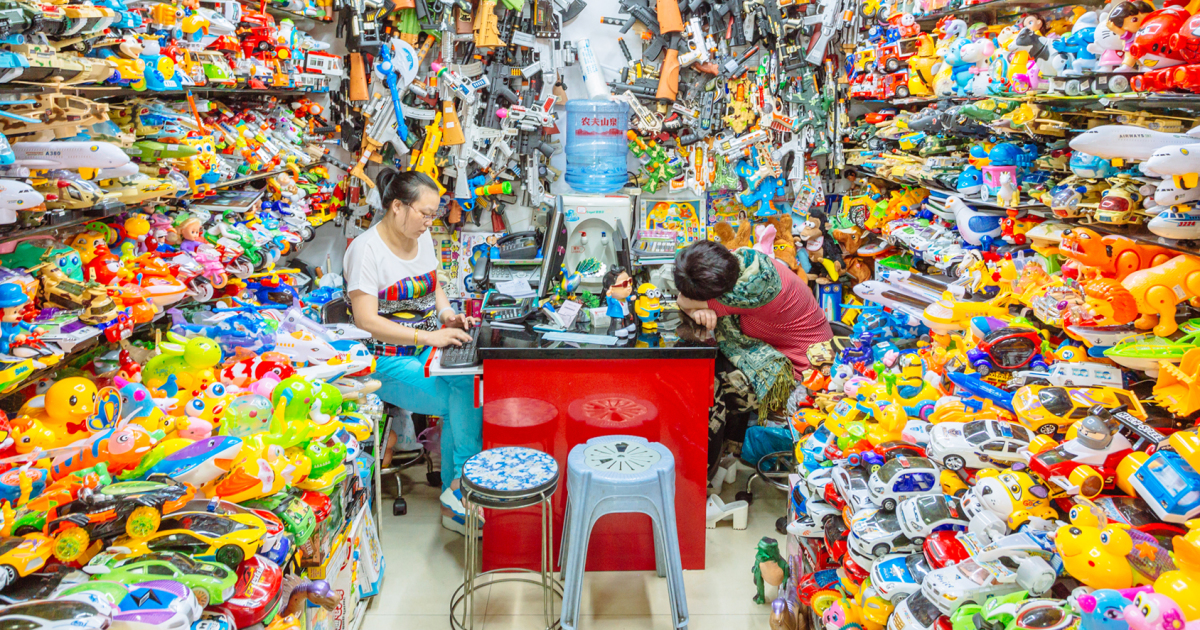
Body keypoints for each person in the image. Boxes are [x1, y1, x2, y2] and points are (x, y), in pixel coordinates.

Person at [343, 169, 481, 535]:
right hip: (382, 360)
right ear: (397, 207)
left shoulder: (423, 240)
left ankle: (457, 497)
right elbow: (366, 319)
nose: (429, 222)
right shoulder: (365, 251)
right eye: (425, 214)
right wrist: (428, 339)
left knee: (466, 383)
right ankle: (462, 492)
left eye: (433, 215)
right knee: (461, 399)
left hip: (421, 350)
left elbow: (435, 289)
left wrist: (448, 315)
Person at [674, 239, 832, 410]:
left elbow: (682, 300)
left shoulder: (747, 296)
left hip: (805, 372)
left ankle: (724, 435)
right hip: (807, 349)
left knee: (706, 385)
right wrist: (699, 309)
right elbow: (689, 301)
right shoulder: (743, 258)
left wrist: (695, 309)